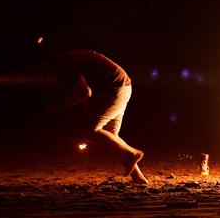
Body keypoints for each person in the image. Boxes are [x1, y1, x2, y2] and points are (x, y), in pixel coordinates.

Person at [46, 49, 148, 184]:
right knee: (111, 136)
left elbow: (85, 92)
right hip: (123, 86)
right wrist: (87, 116)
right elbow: (88, 92)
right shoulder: (71, 57)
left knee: (89, 131)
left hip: (113, 89)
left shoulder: (61, 64)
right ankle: (138, 177)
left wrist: (59, 106)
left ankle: (132, 153)